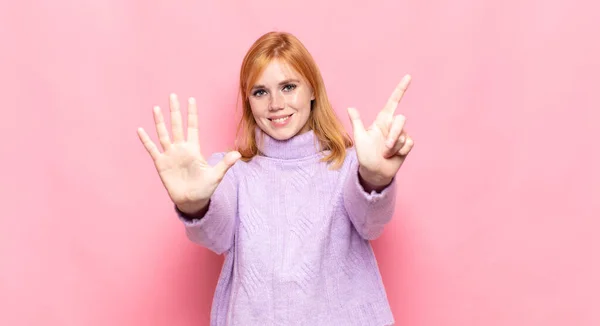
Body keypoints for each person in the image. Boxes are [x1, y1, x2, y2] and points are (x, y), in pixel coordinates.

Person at [137, 31, 414, 326]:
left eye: (288, 87)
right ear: (248, 102)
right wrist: (195, 206)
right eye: (260, 92)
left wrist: (373, 180)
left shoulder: (349, 167)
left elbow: (371, 223)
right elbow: (214, 234)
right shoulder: (230, 171)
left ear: (312, 90)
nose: (275, 104)